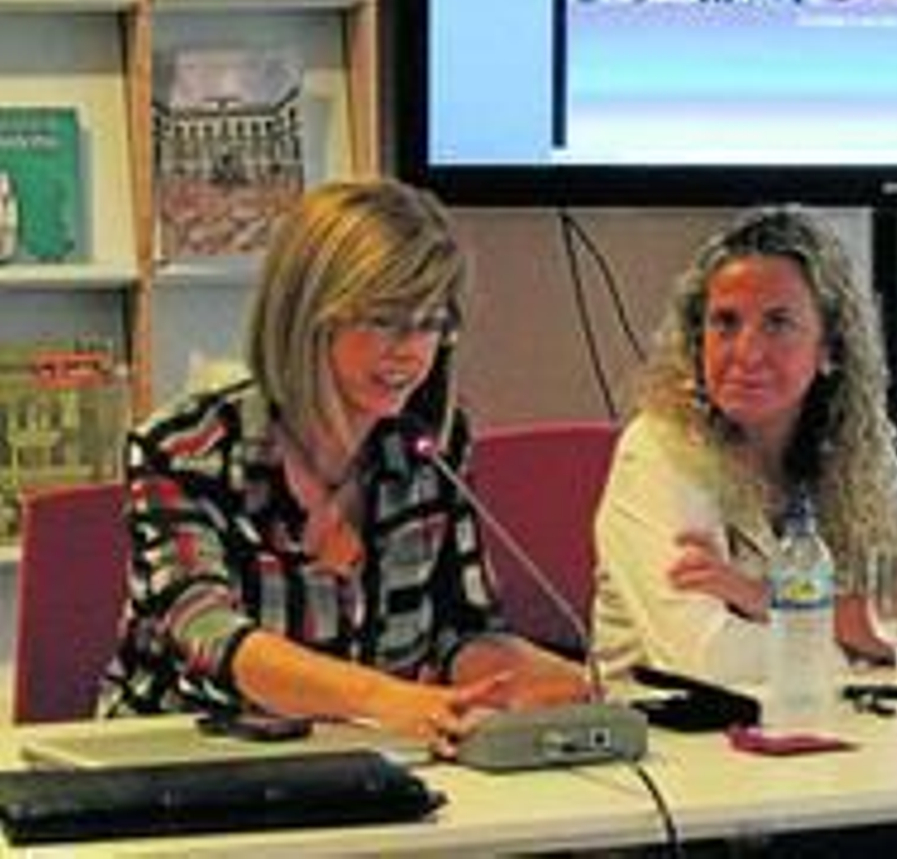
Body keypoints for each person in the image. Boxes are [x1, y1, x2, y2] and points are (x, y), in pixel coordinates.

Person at [99, 178, 588, 757]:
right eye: (383, 320)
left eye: (430, 323)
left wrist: (550, 678)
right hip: (180, 769)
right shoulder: (185, 450)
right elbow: (212, 639)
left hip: (370, 765)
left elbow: (462, 632)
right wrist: (388, 699)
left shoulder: (432, 447)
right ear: (307, 316)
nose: (410, 350)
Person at [593, 206, 897, 855]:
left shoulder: (861, 455)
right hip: (680, 792)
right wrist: (872, 636)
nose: (746, 351)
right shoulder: (657, 451)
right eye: (725, 323)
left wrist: (766, 600)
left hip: (834, 762)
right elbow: (708, 661)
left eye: (777, 323)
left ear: (829, 347)